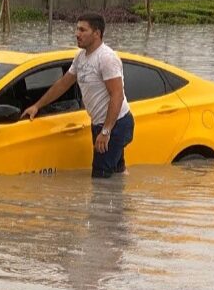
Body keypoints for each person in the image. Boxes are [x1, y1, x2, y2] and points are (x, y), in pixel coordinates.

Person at [21, 14, 134, 178]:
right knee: (116, 174)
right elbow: (63, 83)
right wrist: (37, 105)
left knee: (100, 179)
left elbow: (117, 95)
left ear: (96, 33)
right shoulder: (81, 57)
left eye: (82, 30)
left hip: (115, 124)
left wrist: (106, 132)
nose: (77, 33)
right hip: (101, 123)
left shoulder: (107, 58)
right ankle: (124, 200)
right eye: (77, 29)